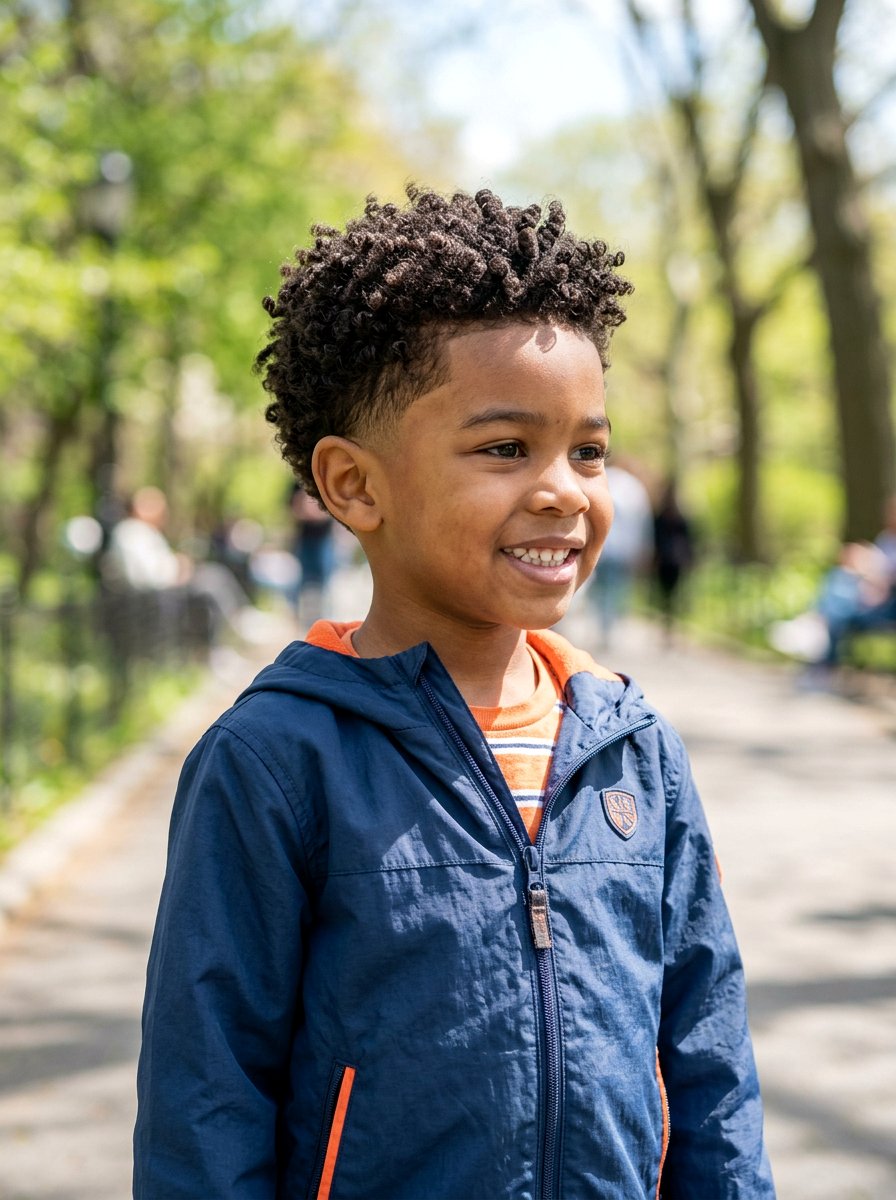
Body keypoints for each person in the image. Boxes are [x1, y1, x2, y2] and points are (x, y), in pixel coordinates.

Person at [134, 187, 775, 1199]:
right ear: (354, 486)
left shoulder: (633, 748)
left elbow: (710, 1057)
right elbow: (206, 1095)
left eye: (588, 450)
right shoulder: (276, 759)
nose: (564, 488)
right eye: (504, 448)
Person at [587, 459, 653, 648]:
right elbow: (643, 524)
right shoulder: (635, 488)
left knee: (599, 588)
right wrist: (643, 549)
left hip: (601, 546)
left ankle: (602, 623)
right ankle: (607, 628)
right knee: (615, 589)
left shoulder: (602, 479)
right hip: (624, 550)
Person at [652, 479, 696, 639]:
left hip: (667, 560)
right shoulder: (679, 516)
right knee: (673, 595)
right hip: (675, 560)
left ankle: (669, 625)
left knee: (667, 596)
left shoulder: (662, 516)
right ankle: (671, 626)